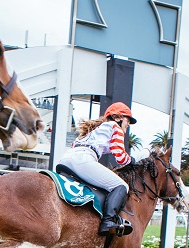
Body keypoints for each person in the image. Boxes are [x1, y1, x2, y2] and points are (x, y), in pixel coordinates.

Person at [58, 101, 137, 236]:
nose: (128, 124)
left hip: (65, 160)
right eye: (127, 120)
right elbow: (119, 156)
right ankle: (108, 221)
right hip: (82, 160)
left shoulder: (93, 130)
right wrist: (132, 160)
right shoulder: (115, 127)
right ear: (118, 117)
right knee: (121, 186)